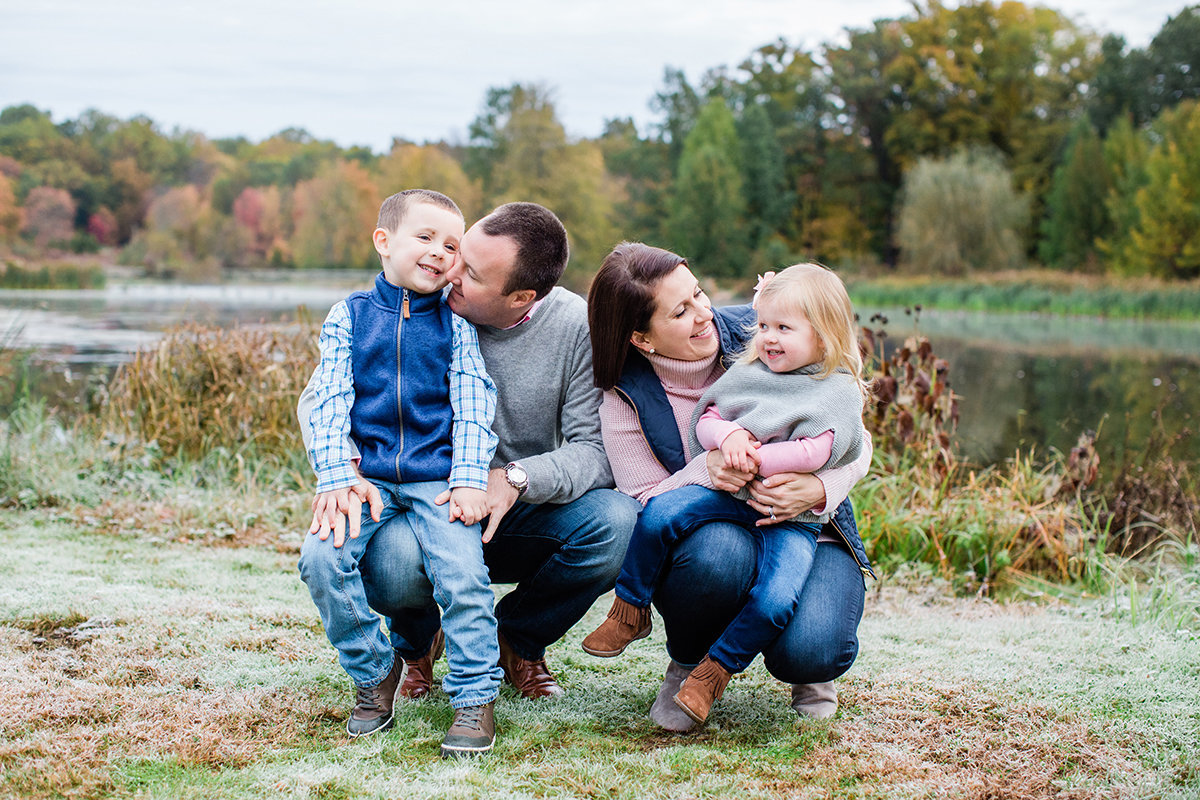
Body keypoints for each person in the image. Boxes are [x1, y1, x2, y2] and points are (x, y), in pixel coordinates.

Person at [298, 202, 639, 710]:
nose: (448, 269)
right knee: (388, 562)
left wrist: (515, 478)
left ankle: (517, 641)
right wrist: (342, 469)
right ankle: (415, 645)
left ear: (520, 297)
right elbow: (319, 398)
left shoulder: (574, 328)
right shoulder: (418, 305)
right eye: (460, 252)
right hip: (428, 499)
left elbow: (594, 452)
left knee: (619, 522)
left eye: (469, 270)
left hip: (518, 508)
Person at [584, 242, 875, 732]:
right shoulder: (625, 398)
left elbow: (855, 438)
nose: (704, 315)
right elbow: (642, 502)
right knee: (713, 554)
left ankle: (807, 673)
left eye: (698, 294)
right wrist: (711, 465)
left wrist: (820, 490)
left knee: (810, 648)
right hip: (719, 525)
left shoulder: (762, 331)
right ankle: (686, 663)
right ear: (641, 337)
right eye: (680, 311)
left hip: (806, 522)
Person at [298, 189, 503, 757]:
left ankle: (474, 694)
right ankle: (374, 670)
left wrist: (468, 478)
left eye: (451, 245)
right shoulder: (350, 316)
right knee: (320, 560)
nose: (439, 252)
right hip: (365, 478)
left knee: (462, 575)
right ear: (384, 242)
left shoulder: (455, 327)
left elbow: (472, 401)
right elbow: (330, 399)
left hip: (437, 478)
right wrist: (336, 476)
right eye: (426, 237)